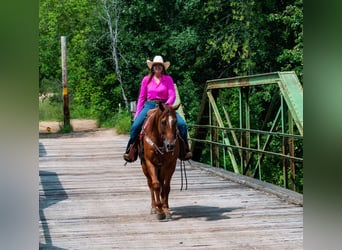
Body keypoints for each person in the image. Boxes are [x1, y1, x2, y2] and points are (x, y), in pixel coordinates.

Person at [123, 55, 192, 162]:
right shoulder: (146, 79)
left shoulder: (168, 79)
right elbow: (141, 97)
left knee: (182, 124)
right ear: (152, 67)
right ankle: (131, 150)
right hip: (150, 105)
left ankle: (184, 151)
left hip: (165, 105)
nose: (158, 67)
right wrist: (137, 113)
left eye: (160, 65)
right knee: (136, 126)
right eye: (155, 65)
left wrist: (165, 106)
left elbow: (172, 95)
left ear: (163, 67)